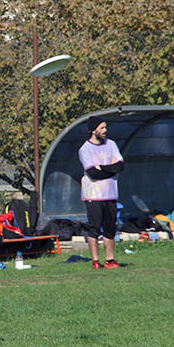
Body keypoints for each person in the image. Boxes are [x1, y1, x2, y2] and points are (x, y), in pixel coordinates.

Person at [78, 116, 124, 270]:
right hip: (93, 195)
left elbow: (119, 166)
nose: (105, 131)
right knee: (95, 227)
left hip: (111, 194)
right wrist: (108, 169)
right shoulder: (85, 149)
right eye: (102, 128)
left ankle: (110, 260)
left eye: (106, 127)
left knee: (110, 228)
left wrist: (102, 168)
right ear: (93, 130)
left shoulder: (111, 145)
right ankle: (95, 261)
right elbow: (93, 173)